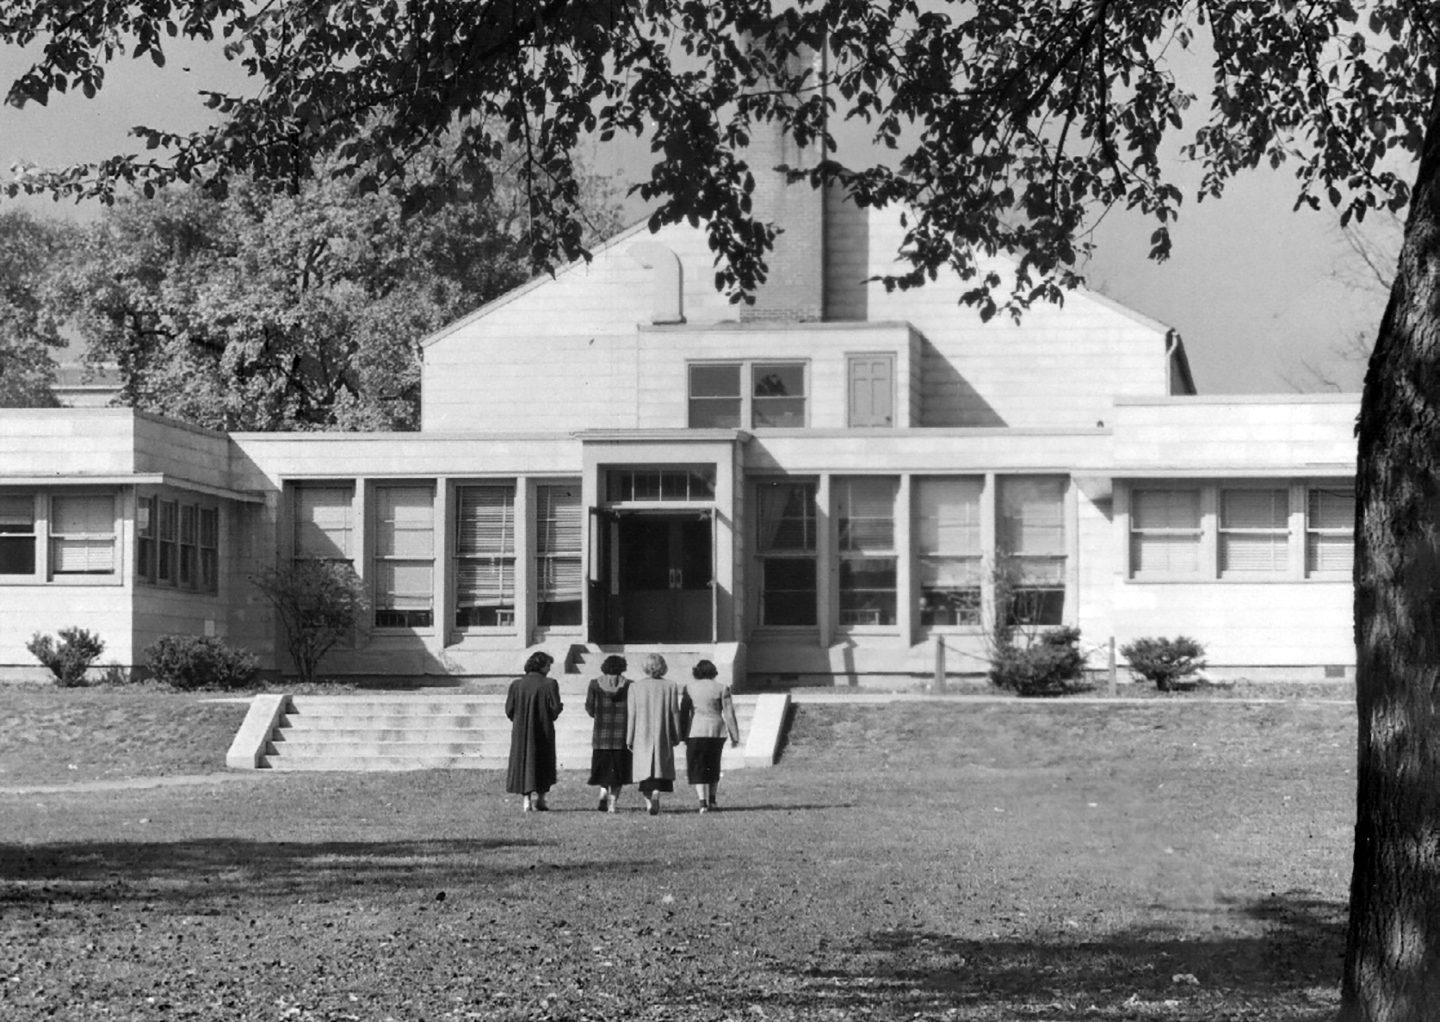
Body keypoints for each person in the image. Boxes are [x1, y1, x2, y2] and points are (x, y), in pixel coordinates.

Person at [626, 652, 684, 816]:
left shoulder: (635, 687)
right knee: (660, 765)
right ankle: (657, 791)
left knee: (644, 769)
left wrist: (629, 738)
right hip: (661, 732)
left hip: (641, 733)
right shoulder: (670, 686)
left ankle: (648, 802)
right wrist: (677, 734)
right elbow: (675, 712)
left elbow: (632, 714)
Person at [505, 651, 562, 812]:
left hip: (521, 731)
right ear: (541, 666)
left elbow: (509, 709)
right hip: (544, 729)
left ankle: (526, 801)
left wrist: (519, 720)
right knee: (543, 762)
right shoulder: (550, 683)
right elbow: (555, 708)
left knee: (524, 762)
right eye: (548, 665)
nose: (549, 669)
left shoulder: (516, 685)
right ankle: (541, 800)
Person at [681, 659, 741, 813]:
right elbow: (729, 713)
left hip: (696, 731)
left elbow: (684, 713)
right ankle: (713, 800)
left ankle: (702, 803)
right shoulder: (722, 688)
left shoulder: (689, 688)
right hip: (716, 731)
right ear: (713, 672)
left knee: (697, 767)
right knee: (713, 765)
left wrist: (681, 734)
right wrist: (735, 736)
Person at [585, 654, 632, 813]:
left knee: (604, 769)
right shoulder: (629, 685)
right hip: (621, 736)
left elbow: (590, 709)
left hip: (601, 735)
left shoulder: (594, 684)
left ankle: (603, 793)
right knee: (618, 773)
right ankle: (613, 803)